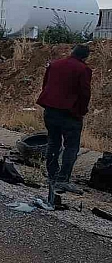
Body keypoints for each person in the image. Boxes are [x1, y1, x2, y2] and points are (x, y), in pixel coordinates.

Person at [36, 44, 92, 195]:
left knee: (53, 143)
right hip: (69, 113)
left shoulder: (55, 65)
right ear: (85, 57)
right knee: (71, 147)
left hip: (50, 110)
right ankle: (62, 180)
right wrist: (81, 111)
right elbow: (85, 93)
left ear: (72, 52)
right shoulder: (83, 69)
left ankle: (52, 176)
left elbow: (45, 85)